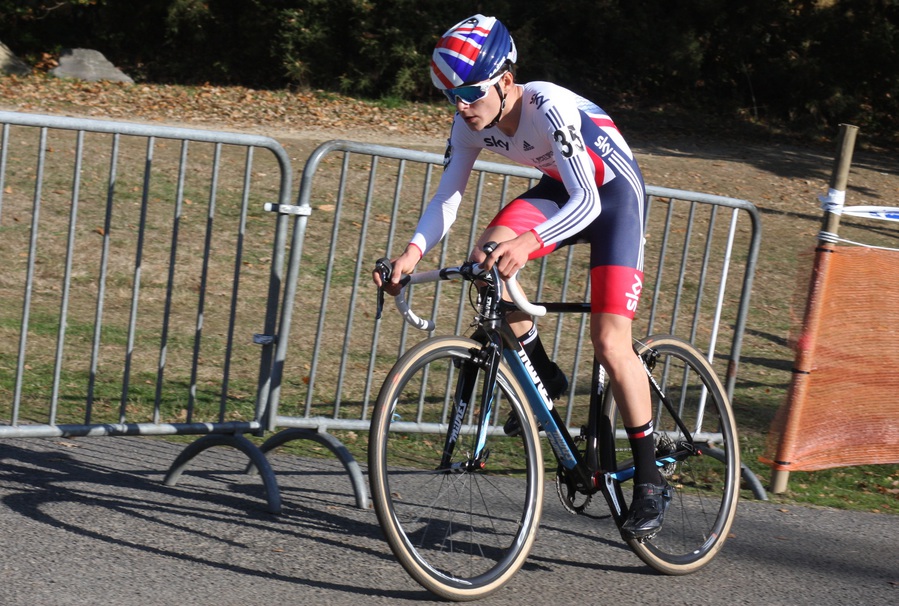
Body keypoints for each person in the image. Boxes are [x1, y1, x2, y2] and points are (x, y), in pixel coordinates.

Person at [372, 14, 670, 539]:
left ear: (506, 81)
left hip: (613, 196)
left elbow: (591, 200)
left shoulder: (548, 106)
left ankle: (648, 478)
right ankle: (542, 370)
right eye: (449, 94)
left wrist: (529, 242)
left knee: (609, 340)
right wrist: (411, 254)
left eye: (469, 91)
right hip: (563, 189)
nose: (461, 105)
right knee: (487, 254)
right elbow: (448, 196)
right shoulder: (469, 122)